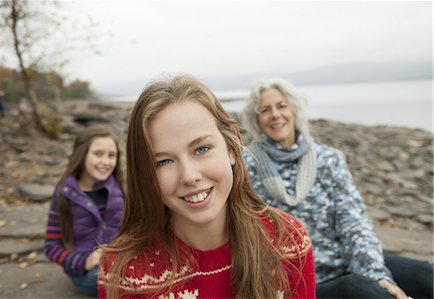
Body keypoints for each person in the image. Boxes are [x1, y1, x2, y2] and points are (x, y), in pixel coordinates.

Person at [97, 75, 316, 298]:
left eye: (201, 149)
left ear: (231, 148)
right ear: (145, 174)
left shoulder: (288, 241)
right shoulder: (124, 273)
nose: (189, 176)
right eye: (163, 161)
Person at [241, 77, 433, 299]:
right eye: (265, 110)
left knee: (426, 276)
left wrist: (375, 273)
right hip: (302, 280)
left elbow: (354, 222)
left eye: (282, 106)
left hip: (345, 261)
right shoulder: (248, 165)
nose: (275, 114)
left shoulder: (328, 159)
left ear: (294, 110)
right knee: (361, 289)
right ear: (256, 120)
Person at [44, 125, 125, 297]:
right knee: (106, 279)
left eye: (112, 155)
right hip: (88, 273)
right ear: (82, 155)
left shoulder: (120, 189)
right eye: (98, 154)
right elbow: (51, 246)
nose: (106, 161)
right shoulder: (64, 196)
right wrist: (83, 262)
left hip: (122, 261)